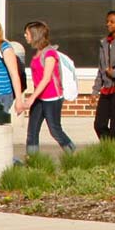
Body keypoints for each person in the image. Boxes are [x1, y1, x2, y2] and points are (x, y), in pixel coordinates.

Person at [14, 20, 75, 155]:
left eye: (27, 33)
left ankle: (73, 154)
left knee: (55, 130)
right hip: (40, 97)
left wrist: (31, 99)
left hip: (52, 98)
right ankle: (33, 161)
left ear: (35, 35)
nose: (25, 36)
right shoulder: (38, 53)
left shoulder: (50, 53)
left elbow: (46, 79)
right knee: (32, 131)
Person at [93, 9, 115, 141]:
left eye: (112, 22)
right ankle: (110, 147)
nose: (108, 24)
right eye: (107, 21)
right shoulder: (104, 43)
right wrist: (95, 91)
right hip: (106, 89)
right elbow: (100, 69)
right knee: (99, 124)